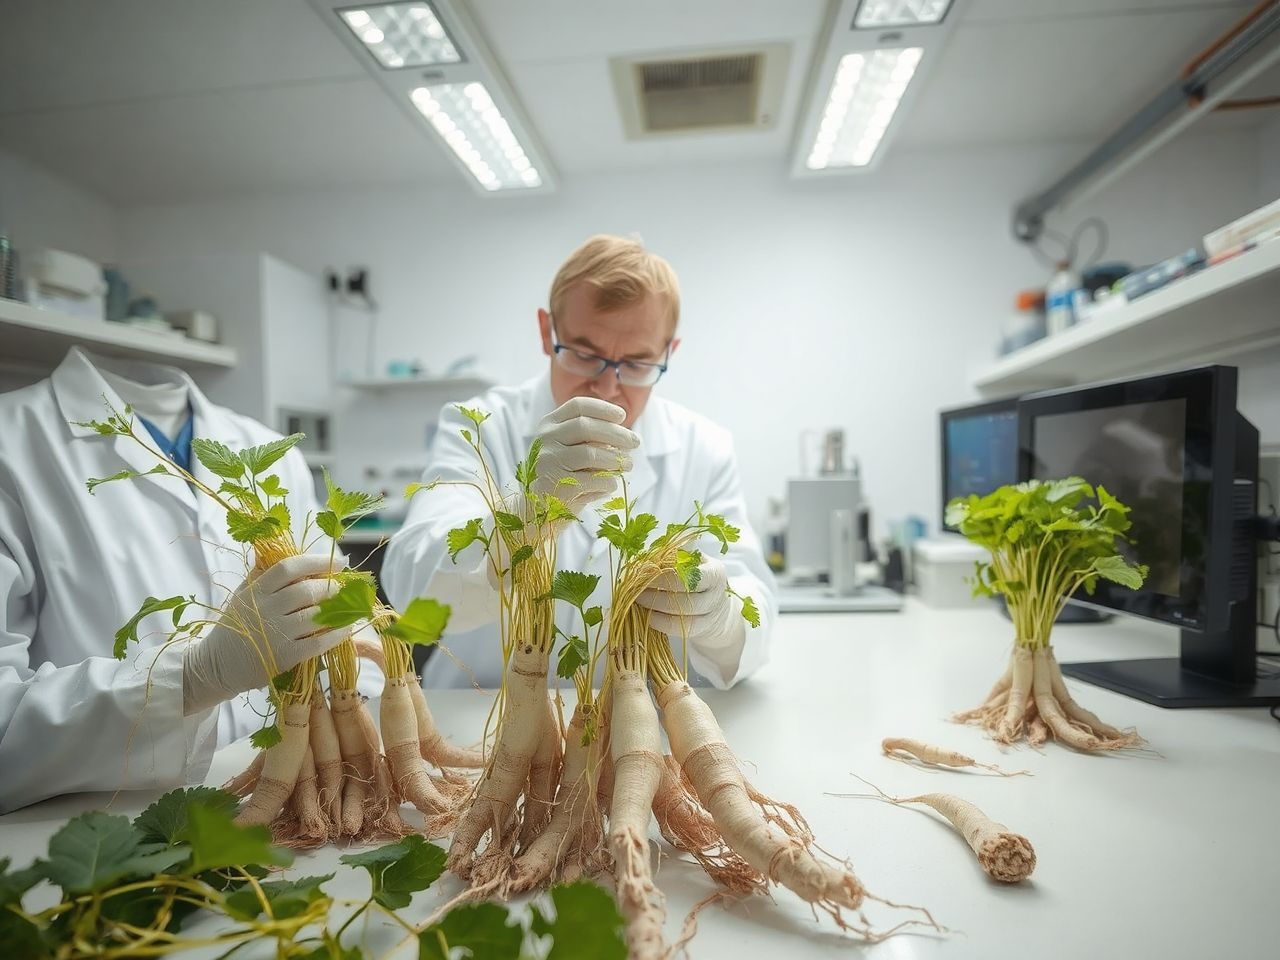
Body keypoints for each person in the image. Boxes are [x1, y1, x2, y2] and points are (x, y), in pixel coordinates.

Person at [383, 235, 777, 688]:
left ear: (670, 352)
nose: (608, 388)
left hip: (645, 733)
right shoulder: (481, 427)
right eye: (586, 355)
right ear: (546, 333)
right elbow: (411, 589)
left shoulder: (704, 448)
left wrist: (718, 616)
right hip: (481, 719)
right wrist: (523, 516)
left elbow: (756, 618)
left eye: (636, 364)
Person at [0, 346, 353, 813]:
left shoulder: (260, 444)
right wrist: (193, 678)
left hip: (284, 800)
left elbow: (335, 609)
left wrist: (355, 720)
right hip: (105, 819)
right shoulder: (13, 442)